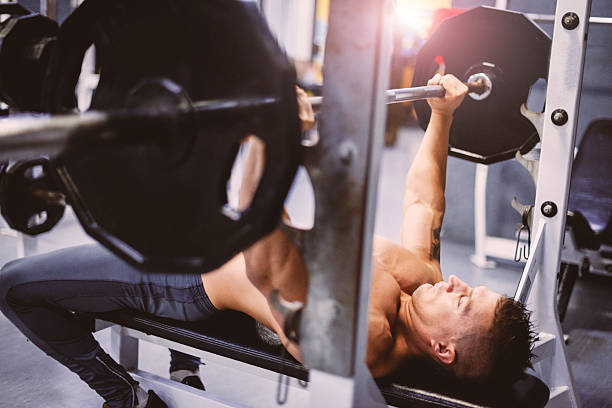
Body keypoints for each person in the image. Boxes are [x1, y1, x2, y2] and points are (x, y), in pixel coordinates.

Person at [0, 75, 534, 408]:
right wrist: (443, 116)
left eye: (466, 300)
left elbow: (266, 256)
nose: (458, 283)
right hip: (216, 225)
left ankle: (125, 397)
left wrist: (273, 139)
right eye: (472, 286)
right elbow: (424, 203)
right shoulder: (423, 283)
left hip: (190, 274)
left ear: (443, 350)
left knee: (14, 286)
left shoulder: (359, 340)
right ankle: (183, 364)